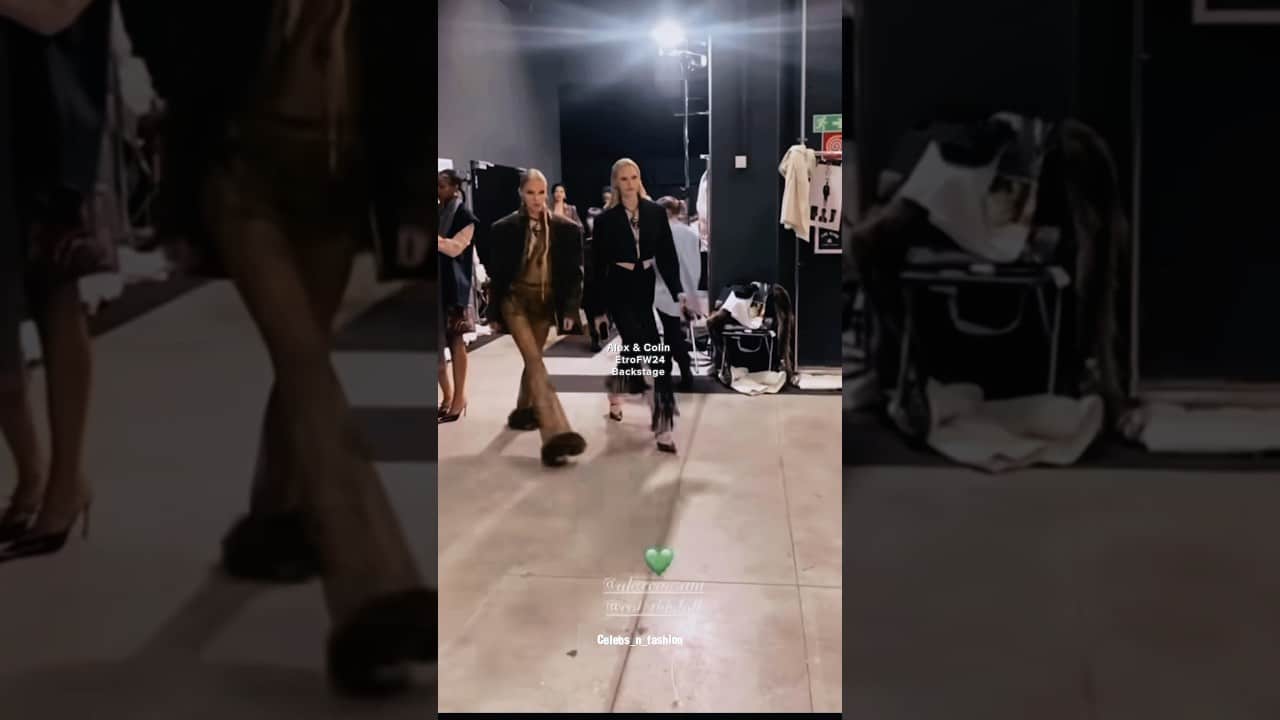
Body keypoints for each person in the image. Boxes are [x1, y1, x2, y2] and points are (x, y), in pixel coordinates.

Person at [118, 0, 434, 696]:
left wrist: (410, 205)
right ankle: (374, 585)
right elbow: (168, 47)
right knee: (303, 361)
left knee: (305, 357)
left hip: (335, 182)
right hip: (242, 176)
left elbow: (409, 87)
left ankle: (271, 520)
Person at [0, 0, 116, 554]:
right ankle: (32, 475)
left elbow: (56, 12)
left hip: (45, 126)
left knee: (56, 294)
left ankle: (63, 482)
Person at [487, 169, 586, 467]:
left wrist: (570, 310)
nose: (536, 199)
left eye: (541, 192)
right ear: (521, 193)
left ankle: (522, 411)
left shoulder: (567, 229)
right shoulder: (503, 229)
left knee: (533, 362)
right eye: (530, 192)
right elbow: (497, 275)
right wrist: (493, 312)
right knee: (535, 361)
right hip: (514, 301)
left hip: (543, 303)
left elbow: (573, 275)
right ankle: (556, 433)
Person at [592, 158, 684, 454]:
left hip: (644, 284)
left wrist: (677, 292)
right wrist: (595, 310)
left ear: (639, 179)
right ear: (616, 183)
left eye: (634, 178)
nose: (630, 184)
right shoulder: (606, 219)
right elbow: (595, 266)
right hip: (618, 287)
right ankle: (664, 424)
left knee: (634, 348)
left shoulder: (655, 212)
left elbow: (667, 254)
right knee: (648, 348)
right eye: (624, 179)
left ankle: (616, 394)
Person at [437, 168, 474, 423]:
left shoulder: (464, 215)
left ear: (454, 187)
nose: (438, 190)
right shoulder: (436, 213)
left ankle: (459, 398)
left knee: (456, 341)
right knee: (435, 345)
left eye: (441, 186)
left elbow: (456, 248)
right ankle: (447, 396)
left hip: (454, 286)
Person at [655, 197, 703, 391]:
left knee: (671, 334)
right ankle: (671, 371)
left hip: (665, 291)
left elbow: (659, 265)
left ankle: (682, 371)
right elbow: (696, 264)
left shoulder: (661, 234)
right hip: (689, 290)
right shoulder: (692, 234)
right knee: (672, 333)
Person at [583, 185, 611, 351]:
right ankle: (596, 334)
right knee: (594, 308)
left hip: (597, 280)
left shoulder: (589, 244)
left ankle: (596, 334)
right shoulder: (586, 244)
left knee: (593, 308)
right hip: (596, 280)